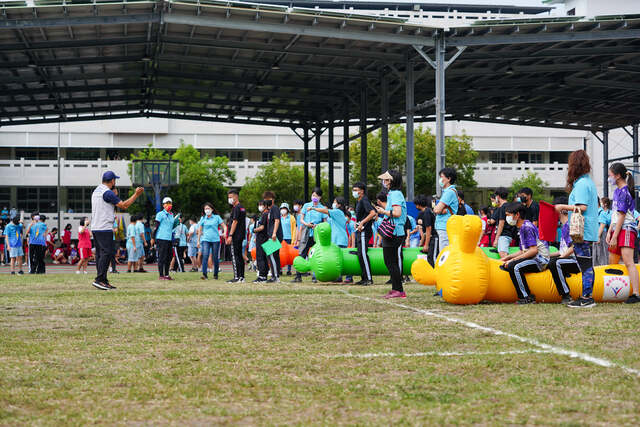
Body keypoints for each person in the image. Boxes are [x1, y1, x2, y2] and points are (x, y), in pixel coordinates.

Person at [554, 150, 599, 308]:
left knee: (585, 265)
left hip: (582, 230)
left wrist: (562, 206)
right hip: (588, 229)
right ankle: (587, 296)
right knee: (586, 263)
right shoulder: (588, 182)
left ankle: (586, 297)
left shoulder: (581, 184)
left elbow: (582, 207)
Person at [90, 171, 144, 290]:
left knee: (100, 254)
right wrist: (136, 194)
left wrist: (114, 194)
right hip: (104, 227)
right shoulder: (107, 193)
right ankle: (99, 279)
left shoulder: (97, 190)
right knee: (107, 253)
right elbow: (124, 205)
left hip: (96, 226)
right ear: (113, 181)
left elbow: (105, 205)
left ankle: (103, 280)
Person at [500, 203, 550, 305]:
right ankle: (525, 295)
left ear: (517, 215)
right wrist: (508, 257)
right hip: (534, 258)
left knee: (515, 267)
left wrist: (513, 260)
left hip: (540, 260)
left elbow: (533, 250)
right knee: (510, 264)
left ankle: (526, 297)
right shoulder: (522, 227)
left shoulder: (527, 227)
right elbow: (523, 250)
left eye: (508, 215)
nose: (507, 218)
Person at [606, 163, 640, 304]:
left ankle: (636, 293)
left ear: (618, 175)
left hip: (626, 229)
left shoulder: (625, 191)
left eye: (610, 175)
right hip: (616, 228)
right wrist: (609, 231)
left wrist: (614, 235)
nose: (609, 178)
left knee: (628, 261)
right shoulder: (616, 192)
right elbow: (615, 215)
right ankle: (614, 290)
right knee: (612, 260)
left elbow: (622, 216)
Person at [375, 170, 407, 299]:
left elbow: (397, 212)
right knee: (390, 261)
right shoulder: (394, 194)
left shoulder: (395, 194)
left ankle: (398, 290)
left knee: (390, 261)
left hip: (394, 231)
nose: (385, 182)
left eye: (387, 180)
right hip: (396, 231)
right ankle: (396, 289)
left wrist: (384, 211)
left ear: (393, 181)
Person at [311, 196, 353, 283]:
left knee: (343, 259)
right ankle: (341, 277)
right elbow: (327, 224)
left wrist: (313, 208)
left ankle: (347, 277)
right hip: (336, 239)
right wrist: (317, 226)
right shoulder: (335, 215)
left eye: (335, 202)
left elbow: (325, 211)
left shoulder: (337, 212)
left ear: (339, 204)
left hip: (339, 239)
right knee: (339, 259)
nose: (333, 204)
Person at [548, 197, 579, 304]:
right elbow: (562, 250)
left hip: (575, 261)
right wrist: (548, 255)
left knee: (554, 262)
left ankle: (566, 295)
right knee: (550, 260)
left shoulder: (569, 226)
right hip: (567, 259)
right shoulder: (563, 227)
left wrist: (559, 258)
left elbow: (573, 247)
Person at [293, 188, 327, 283]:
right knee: (302, 252)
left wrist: (318, 226)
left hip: (317, 233)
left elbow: (325, 222)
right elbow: (301, 219)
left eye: (316, 196)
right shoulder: (306, 206)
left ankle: (315, 276)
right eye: (313, 195)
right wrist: (307, 224)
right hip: (306, 232)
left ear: (320, 197)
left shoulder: (322, 208)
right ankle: (298, 276)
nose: (314, 197)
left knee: (316, 254)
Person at [353, 182, 376, 285]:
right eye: (353, 190)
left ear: (361, 191)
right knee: (360, 254)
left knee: (363, 253)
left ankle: (369, 279)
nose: (354, 192)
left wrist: (362, 222)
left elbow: (373, 213)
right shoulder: (358, 201)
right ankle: (364, 277)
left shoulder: (364, 200)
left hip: (364, 231)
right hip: (359, 230)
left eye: (356, 190)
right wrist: (356, 223)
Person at [433, 168, 459, 256]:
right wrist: (441, 210)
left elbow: (436, 209)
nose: (440, 179)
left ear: (449, 179)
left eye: (442, 177)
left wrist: (439, 210)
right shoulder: (449, 192)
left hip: (445, 227)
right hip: (445, 226)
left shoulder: (449, 193)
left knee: (444, 254)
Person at [198, 202, 225, 280]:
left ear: (212, 209)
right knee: (205, 255)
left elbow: (224, 226)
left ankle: (215, 274)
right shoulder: (202, 218)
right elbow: (200, 230)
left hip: (215, 240)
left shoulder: (217, 217)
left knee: (215, 257)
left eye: (208, 208)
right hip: (205, 239)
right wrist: (198, 241)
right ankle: (204, 274)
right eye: (205, 209)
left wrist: (224, 233)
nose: (207, 210)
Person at [225, 190, 247, 283]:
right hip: (241, 235)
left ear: (236, 197)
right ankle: (242, 277)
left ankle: (237, 277)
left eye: (230, 197)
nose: (229, 199)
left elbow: (235, 221)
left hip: (235, 235)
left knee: (235, 256)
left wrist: (230, 235)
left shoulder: (236, 208)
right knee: (239, 256)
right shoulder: (242, 208)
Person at [262, 191, 282, 283]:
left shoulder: (274, 208)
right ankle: (276, 275)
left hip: (275, 235)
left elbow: (277, 221)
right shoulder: (269, 210)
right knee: (273, 256)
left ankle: (275, 276)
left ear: (273, 199)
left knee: (271, 255)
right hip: (272, 234)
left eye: (268, 199)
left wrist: (274, 233)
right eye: (265, 200)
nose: (267, 201)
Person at [492, 187, 517, 259]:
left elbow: (501, 223)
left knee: (503, 254)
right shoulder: (510, 205)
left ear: (498, 196)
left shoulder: (503, 207)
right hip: (509, 235)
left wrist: (496, 239)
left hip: (504, 235)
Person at [155, 197, 176, 281]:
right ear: (163, 205)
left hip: (169, 238)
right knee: (162, 257)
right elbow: (156, 226)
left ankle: (166, 274)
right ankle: (161, 275)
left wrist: (177, 222)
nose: (168, 205)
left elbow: (172, 227)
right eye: (166, 203)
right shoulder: (160, 214)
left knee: (169, 256)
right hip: (161, 238)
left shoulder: (172, 215)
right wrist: (153, 237)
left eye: (170, 203)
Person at [415, 195, 437, 267]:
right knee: (430, 258)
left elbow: (428, 229)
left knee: (432, 259)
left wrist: (426, 245)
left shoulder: (427, 213)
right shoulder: (427, 211)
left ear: (418, 204)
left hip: (434, 238)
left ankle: (435, 277)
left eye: (416, 204)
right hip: (431, 238)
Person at [253, 200, 269, 282]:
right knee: (264, 257)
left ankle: (262, 275)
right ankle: (264, 274)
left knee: (260, 257)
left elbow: (262, 227)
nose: (260, 206)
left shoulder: (265, 214)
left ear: (265, 206)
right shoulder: (264, 214)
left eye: (261, 205)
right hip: (263, 238)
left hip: (262, 238)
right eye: (259, 204)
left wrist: (254, 230)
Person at [279, 202, 297, 276]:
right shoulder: (279, 217)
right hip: (281, 238)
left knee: (289, 254)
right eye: (282, 208)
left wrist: (294, 239)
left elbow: (294, 229)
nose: (283, 210)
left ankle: (289, 270)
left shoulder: (291, 217)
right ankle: (280, 269)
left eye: (284, 208)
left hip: (289, 238)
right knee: (280, 254)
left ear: (287, 209)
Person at [595, 197, 612, 266]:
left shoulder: (601, 212)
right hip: (599, 234)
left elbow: (602, 225)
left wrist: (598, 236)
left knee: (602, 254)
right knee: (598, 254)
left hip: (601, 234)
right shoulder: (599, 212)